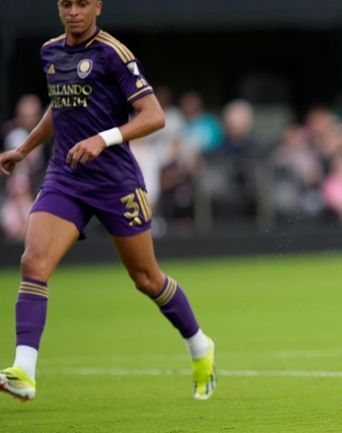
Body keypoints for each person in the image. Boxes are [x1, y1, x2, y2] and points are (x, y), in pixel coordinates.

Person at [0, 0, 216, 401]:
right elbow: (59, 107)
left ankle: (200, 345)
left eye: (82, 3)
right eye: (66, 3)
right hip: (66, 177)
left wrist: (104, 138)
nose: (73, 11)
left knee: (146, 279)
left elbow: (154, 116)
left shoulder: (113, 53)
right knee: (33, 262)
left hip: (116, 182)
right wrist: (25, 149)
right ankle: (24, 371)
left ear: (97, 6)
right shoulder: (51, 51)